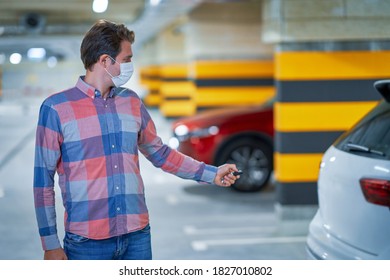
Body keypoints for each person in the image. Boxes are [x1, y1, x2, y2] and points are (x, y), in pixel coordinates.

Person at [33, 19, 239, 260]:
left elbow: (160, 153)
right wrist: (50, 244)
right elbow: (43, 182)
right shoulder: (56, 109)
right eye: (127, 59)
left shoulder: (131, 102)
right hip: (87, 243)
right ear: (104, 61)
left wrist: (211, 173)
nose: (131, 65)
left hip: (137, 236)